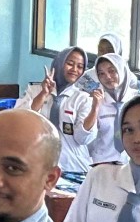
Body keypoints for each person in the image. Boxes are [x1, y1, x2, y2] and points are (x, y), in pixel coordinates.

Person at [27, 47, 96, 186]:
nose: (75, 69)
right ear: (59, 63)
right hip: (40, 164)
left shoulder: (82, 98)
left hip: (73, 168)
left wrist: (95, 108)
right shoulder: (34, 90)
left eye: (80, 66)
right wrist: (43, 94)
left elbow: (82, 138)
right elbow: (22, 120)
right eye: (70, 63)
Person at [83, 53, 138, 166]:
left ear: (121, 71)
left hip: (131, 165)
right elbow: (84, 137)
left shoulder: (138, 101)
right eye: (101, 74)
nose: (107, 77)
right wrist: (95, 107)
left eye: (112, 71)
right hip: (101, 163)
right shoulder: (96, 100)